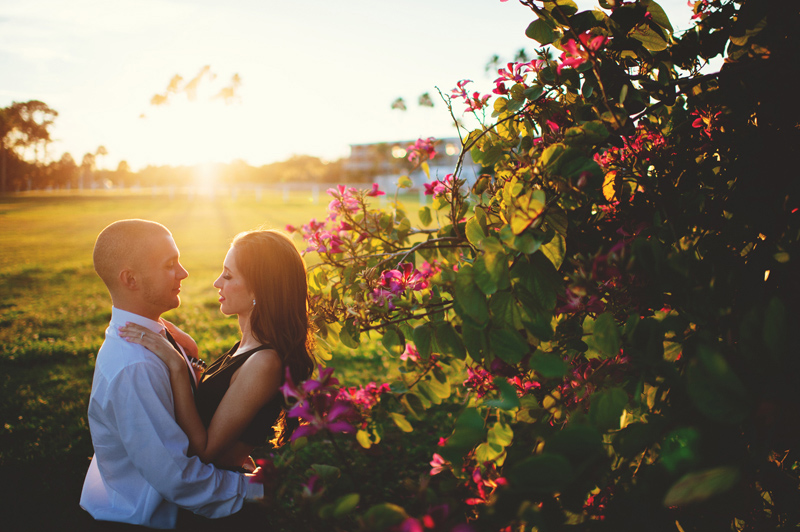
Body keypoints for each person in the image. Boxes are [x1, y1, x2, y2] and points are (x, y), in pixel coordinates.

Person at [80, 219, 264, 530]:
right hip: (147, 518)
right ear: (131, 279)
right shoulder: (135, 366)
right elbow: (179, 479)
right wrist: (259, 488)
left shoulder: (157, 333)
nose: (183, 273)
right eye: (170, 264)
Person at [117, 229, 315, 491]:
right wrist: (192, 358)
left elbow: (206, 451)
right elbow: (215, 407)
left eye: (229, 275)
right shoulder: (247, 346)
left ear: (260, 289)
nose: (217, 282)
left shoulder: (264, 362)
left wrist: (177, 366)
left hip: (217, 496)